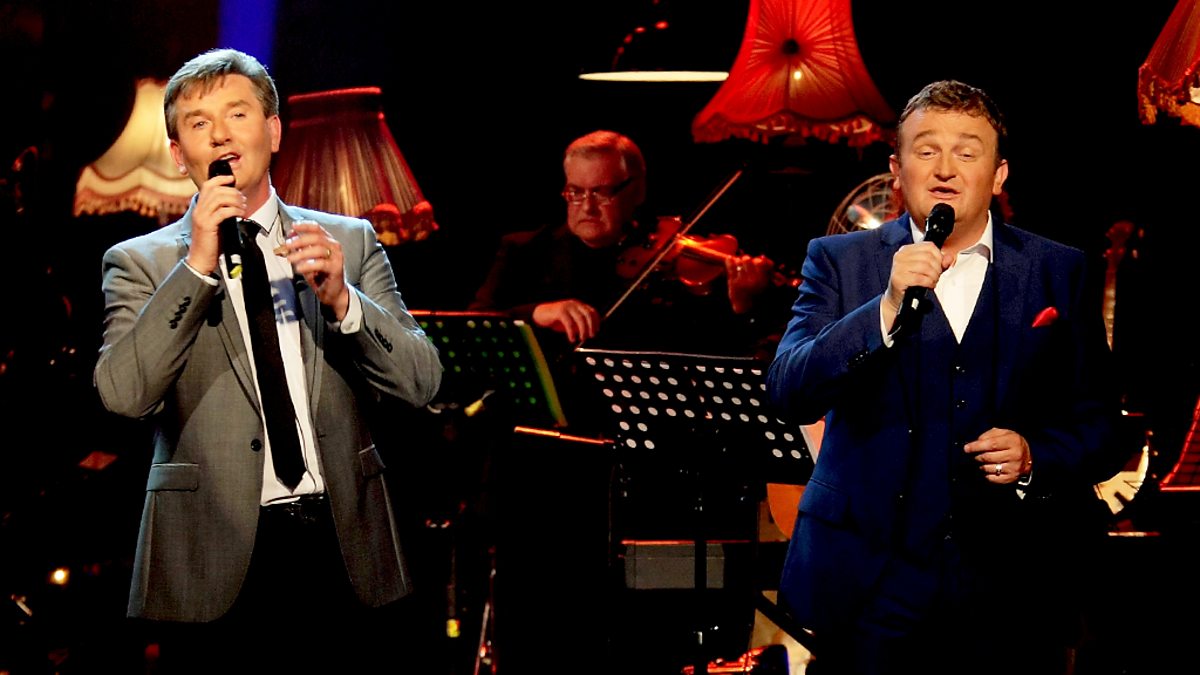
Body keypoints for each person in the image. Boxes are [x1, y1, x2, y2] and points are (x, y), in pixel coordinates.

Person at [93, 48, 443, 673]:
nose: (221, 135)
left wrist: (344, 300)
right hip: (211, 554)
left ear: (274, 131)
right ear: (178, 154)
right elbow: (124, 395)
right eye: (199, 123)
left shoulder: (348, 240)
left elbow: (422, 382)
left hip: (344, 545)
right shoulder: (140, 262)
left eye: (238, 114)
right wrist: (196, 267)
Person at [765, 80, 1122, 675]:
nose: (946, 170)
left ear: (999, 175)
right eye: (926, 150)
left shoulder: (1059, 270)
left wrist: (1035, 454)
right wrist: (883, 308)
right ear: (896, 170)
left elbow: (1105, 428)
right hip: (868, 584)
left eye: (967, 151)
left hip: (1016, 587)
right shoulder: (838, 261)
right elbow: (787, 390)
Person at [468, 129, 788, 363]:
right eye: (576, 192)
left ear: (637, 191)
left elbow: (719, 351)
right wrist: (538, 312)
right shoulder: (525, 250)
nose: (587, 207)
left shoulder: (671, 266)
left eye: (602, 192)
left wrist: (744, 306)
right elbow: (471, 326)